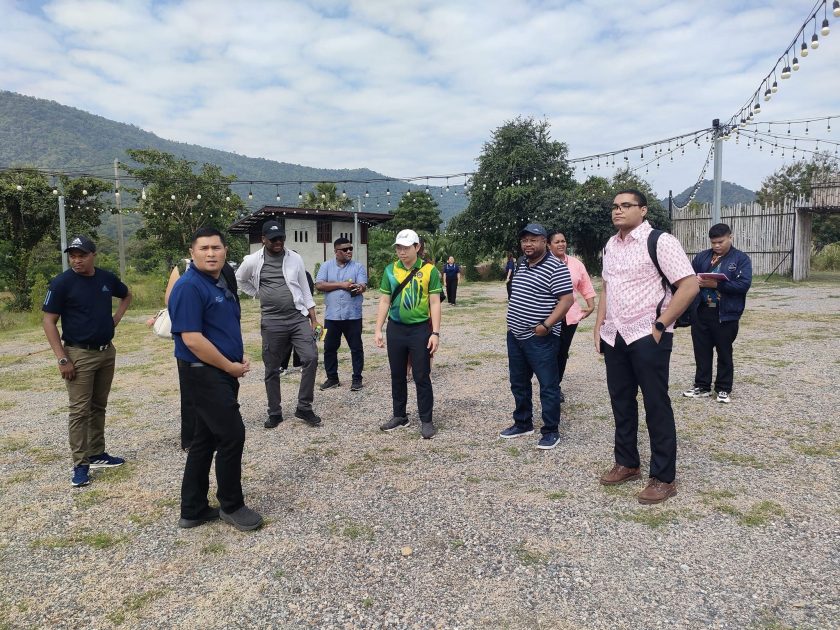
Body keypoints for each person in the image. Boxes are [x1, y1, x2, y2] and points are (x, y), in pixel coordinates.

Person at [594, 189, 698, 504]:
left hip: (647, 334)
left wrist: (661, 324)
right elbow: (607, 287)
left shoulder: (660, 241)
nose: (618, 210)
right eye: (615, 206)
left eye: (626, 205)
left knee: (656, 404)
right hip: (615, 335)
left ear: (643, 210)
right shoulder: (610, 245)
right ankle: (627, 463)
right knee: (621, 401)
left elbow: (689, 284)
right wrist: (599, 325)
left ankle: (663, 478)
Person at [168, 227, 262, 531]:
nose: (211, 254)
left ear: (225, 252)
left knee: (205, 439)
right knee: (232, 435)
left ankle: (192, 509)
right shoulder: (189, 286)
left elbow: (222, 326)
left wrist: (237, 356)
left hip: (220, 370)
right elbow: (192, 339)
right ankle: (231, 505)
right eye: (204, 248)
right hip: (203, 372)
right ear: (192, 253)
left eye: (216, 248)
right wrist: (229, 366)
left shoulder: (219, 281)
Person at [42, 235, 132, 488]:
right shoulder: (62, 283)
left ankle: (97, 453)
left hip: (106, 352)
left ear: (93, 255)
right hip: (78, 354)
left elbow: (126, 295)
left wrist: (114, 320)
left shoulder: (106, 279)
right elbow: (48, 321)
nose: (76, 260)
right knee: (79, 411)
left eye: (82, 255)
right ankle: (80, 465)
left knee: (98, 406)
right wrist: (62, 358)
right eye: (72, 256)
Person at [236, 220, 322, 429]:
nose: (278, 242)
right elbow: (240, 279)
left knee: (310, 357)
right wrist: (258, 293)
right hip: (272, 321)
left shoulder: (295, 258)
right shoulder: (253, 260)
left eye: (281, 238)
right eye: (273, 239)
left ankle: (304, 406)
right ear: (263, 239)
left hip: (297, 317)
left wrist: (313, 319)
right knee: (272, 368)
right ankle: (275, 412)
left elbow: (305, 289)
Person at [500, 224, 574, 450]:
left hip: (541, 337)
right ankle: (523, 423)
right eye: (525, 240)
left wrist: (546, 325)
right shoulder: (522, 263)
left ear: (544, 242)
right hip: (516, 335)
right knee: (518, 382)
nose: (528, 244)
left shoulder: (556, 267)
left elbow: (567, 300)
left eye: (533, 240)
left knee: (548, 385)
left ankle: (551, 431)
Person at [375, 229, 442, 439]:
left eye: (406, 248)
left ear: (417, 247)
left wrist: (435, 332)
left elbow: (435, 302)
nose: (401, 252)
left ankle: (426, 420)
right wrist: (378, 329)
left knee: (421, 375)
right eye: (398, 248)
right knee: (397, 374)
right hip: (396, 328)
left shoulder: (430, 271)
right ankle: (399, 416)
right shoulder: (390, 270)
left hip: (420, 329)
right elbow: (385, 300)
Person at [683, 223, 752, 404]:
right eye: (713, 242)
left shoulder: (741, 259)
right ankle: (702, 386)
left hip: (725, 313)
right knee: (701, 351)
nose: (717, 246)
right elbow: (688, 278)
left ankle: (723, 388)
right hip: (701, 310)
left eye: (720, 242)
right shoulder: (702, 257)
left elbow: (743, 285)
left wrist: (717, 284)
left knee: (724, 352)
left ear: (730, 237)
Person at [547, 231, 596, 403]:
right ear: (549, 245)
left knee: (562, 352)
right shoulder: (543, 263)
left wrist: (591, 305)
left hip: (569, 317)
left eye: (563, 241)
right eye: (557, 242)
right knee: (548, 352)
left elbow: (585, 285)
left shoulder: (576, 264)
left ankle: (555, 386)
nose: (561, 244)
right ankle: (548, 384)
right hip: (548, 316)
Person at [315, 237, 368, 391]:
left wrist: (359, 288)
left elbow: (363, 285)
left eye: (351, 248)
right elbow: (319, 285)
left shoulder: (358, 267)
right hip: (331, 316)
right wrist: (341, 285)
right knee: (329, 348)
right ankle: (332, 378)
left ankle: (357, 379)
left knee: (356, 348)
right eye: (345, 249)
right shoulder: (326, 266)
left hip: (353, 315)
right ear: (336, 251)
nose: (349, 251)